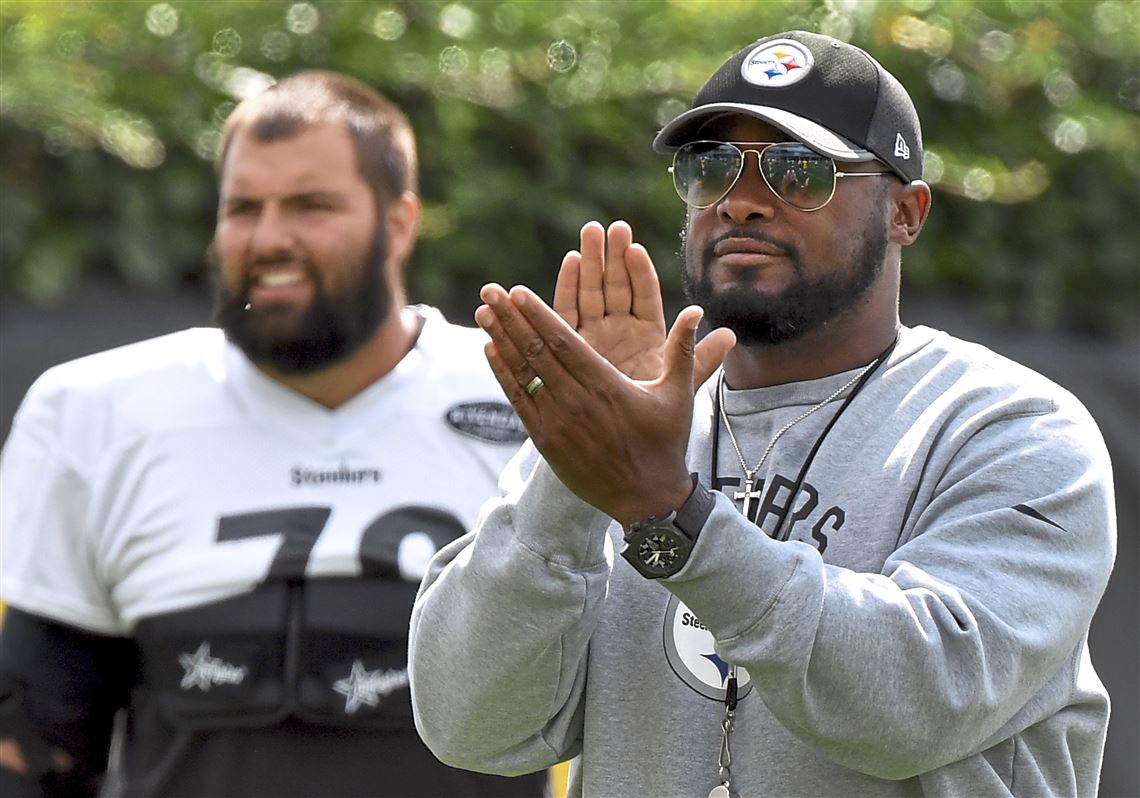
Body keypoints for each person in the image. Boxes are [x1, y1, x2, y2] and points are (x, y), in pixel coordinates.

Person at [408, 30, 1117, 797]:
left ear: (906, 212)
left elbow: (919, 702)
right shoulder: (628, 432)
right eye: (711, 166)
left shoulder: (1011, 430)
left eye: (798, 170)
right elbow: (468, 724)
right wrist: (571, 480)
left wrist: (670, 514)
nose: (741, 200)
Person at [0, 71, 549, 798]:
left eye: (310, 206)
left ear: (399, 223)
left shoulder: (531, 400)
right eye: (242, 208)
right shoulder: (93, 412)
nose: (269, 239)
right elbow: (37, 746)